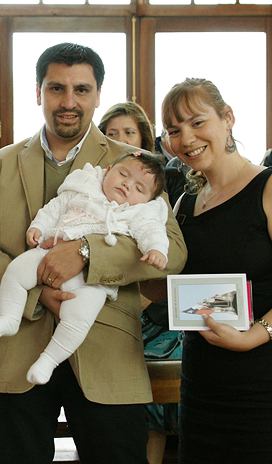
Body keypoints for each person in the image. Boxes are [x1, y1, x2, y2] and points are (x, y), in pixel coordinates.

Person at [0, 42, 187, 464]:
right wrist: (38, 290)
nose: (69, 101)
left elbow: (174, 251)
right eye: (56, 88)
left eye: (82, 89)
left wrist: (85, 253)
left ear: (98, 95)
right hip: (16, 353)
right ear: (38, 92)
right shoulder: (1, 164)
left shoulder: (134, 164)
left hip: (108, 351)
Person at [0, 152, 169, 385]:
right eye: (123, 175)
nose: (127, 185)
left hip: (93, 280)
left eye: (139, 188)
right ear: (107, 171)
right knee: (16, 271)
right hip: (49, 253)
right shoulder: (82, 189)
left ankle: (48, 361)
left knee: (79, 319)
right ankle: (9, 318)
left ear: (148, 200)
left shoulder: (139, 213)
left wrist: (157, 249)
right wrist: (38, 226)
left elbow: (152, 231)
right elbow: (53, 209)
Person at [161, 77, 272, 464]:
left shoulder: (268, 188)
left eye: (196, 122)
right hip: (201, 383)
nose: (186, 138)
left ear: (228, 119)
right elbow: (168, 288)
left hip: (261, 383)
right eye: (174, 130)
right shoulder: (183, 205)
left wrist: (256, 335)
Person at [100, 103, 181, 464]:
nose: (119, 140)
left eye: (128, 133)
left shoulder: (155, 192)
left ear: (144, 141)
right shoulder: (98, 186)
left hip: (152, 312)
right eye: (111, 134)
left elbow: (167, 253)